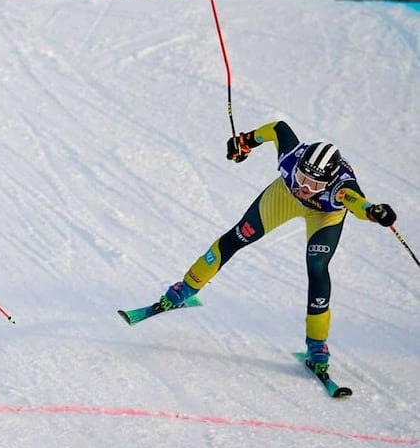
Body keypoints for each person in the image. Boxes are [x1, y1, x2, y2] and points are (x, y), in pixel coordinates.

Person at [153, 120, 397, 377]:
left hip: (324, 216)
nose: (305, 187)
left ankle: (317, 346)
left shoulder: (341, 187)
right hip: (283, 198)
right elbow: (277, 128)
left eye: (314, 185)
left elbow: (358, 203)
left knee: (317, 267)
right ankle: (182, 291)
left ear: (327, 181)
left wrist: (373, 212)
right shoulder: (292, 155)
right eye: (303, 177)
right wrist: (244, 142)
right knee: (236, 237)